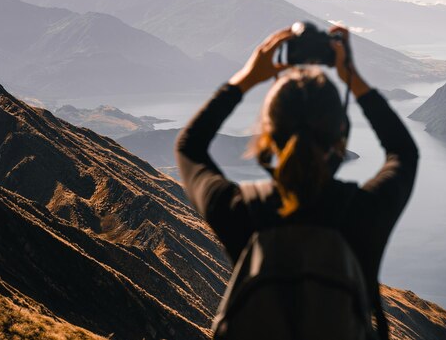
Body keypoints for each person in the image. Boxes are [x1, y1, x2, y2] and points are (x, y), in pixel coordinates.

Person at [175, 25, 419, 340]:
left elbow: (189, 146)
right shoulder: (364, 213)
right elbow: (404, 153)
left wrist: (249, 77)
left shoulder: (241, 211)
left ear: (268, 135)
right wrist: (352, 79)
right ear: (340, 133)